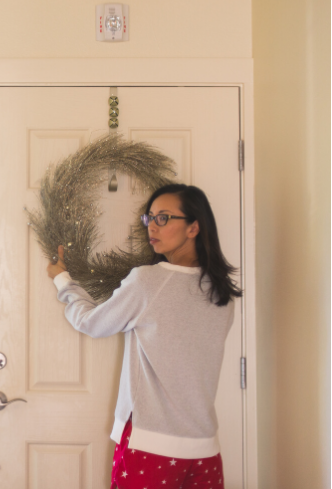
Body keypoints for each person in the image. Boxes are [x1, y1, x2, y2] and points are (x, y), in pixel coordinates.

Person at [46, 183, 241, 489]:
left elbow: (91, 323)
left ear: (193, 228)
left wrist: (62, 280)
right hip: (205, 449)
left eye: (163, 218)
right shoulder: (223, 293)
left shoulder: (149, 281)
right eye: (149, 218)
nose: (152, 226)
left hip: (151, 447)